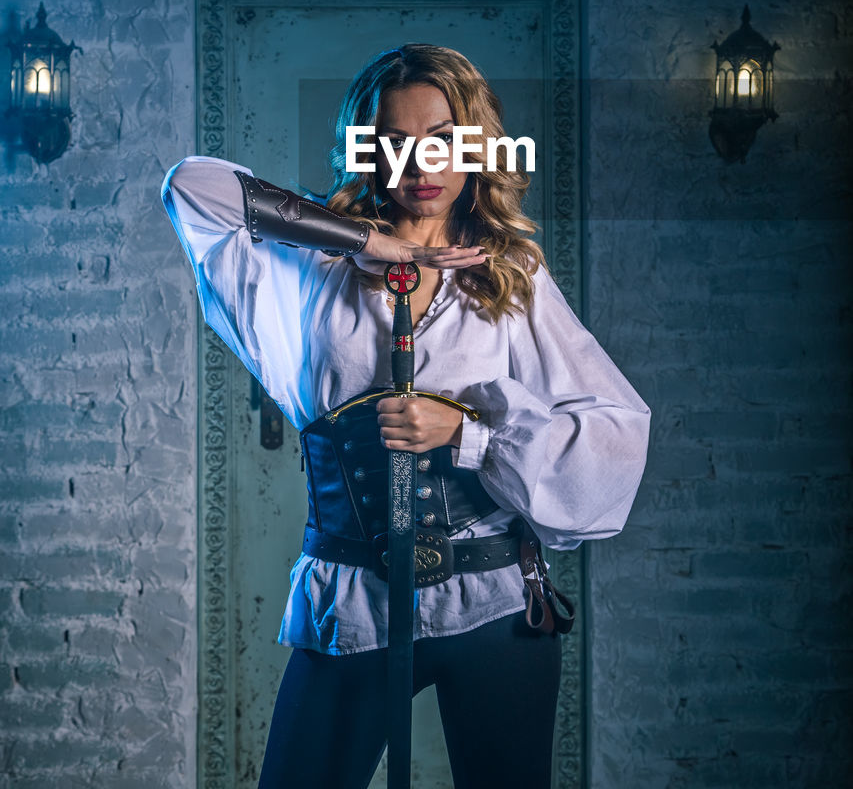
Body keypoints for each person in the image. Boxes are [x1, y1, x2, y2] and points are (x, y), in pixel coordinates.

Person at [162, 43, 650, 789]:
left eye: (444, 140)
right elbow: (191, 186)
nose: (420, 163)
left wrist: (468, 432)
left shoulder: (508, 276)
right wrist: (364, 239)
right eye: (393, 143)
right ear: (365, 150)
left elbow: (613, 433)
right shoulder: (308, 266)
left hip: (494, 601)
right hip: (353, 599)